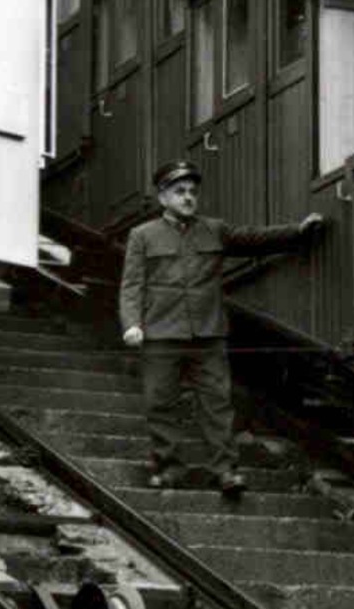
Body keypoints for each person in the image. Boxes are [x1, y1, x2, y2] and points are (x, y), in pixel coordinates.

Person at [120, 161, 324, 495]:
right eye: (179, 192)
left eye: (192, 192)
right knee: (160, 403)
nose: (188, 198)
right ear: (163, 197)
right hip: (160, 332)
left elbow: (254, 237)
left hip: (207, 333)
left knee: (217, 403)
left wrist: (297, 231)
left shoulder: (214, 230)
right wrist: (132, 323)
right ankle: (169, 468)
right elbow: (131, 284)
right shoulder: (142, 236)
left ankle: (226, 471)